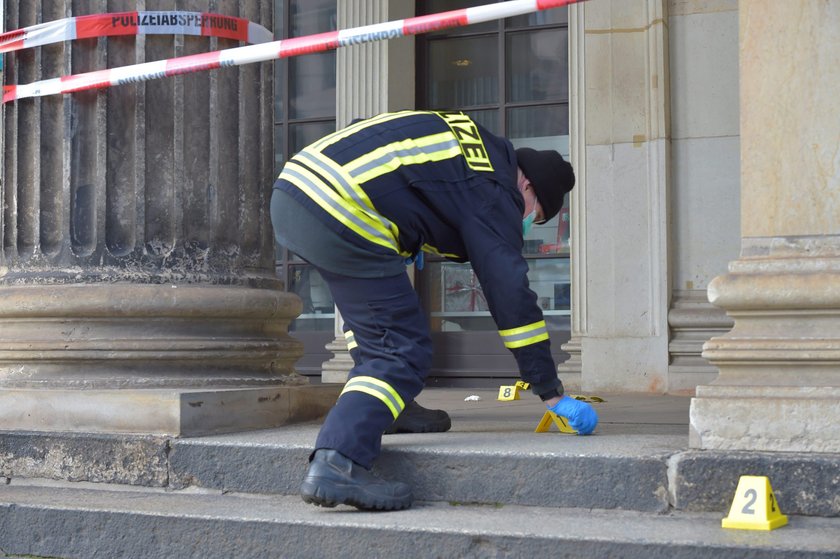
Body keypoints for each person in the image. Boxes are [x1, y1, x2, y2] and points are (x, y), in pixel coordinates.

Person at [270, 110, 598, 511]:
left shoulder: (472, 151)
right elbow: (509, 291)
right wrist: (550, 391)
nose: (527, 223)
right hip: (343, 205)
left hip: (297, 192)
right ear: (527, 186)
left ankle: (391, 408)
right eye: (536, 215)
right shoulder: (496, 189)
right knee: (399, 348)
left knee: (379, 325)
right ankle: (339, 461)